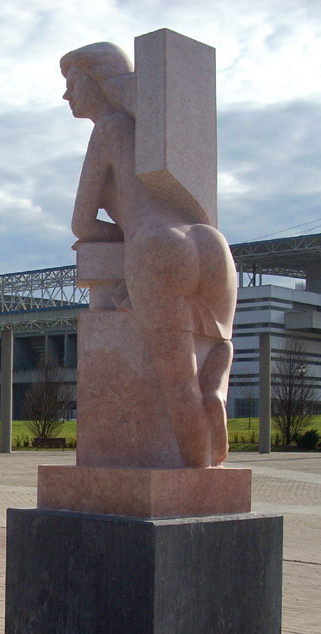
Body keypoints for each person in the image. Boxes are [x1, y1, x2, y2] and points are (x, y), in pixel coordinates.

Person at [61, 42, 236, 467]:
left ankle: (197, 475)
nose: (66, 96)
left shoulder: (109, 129)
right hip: (212, 242)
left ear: (98, 81)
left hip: (156, 248)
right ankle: (216, 389)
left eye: (71, 83)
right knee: (216, 343)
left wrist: (118, 232)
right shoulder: (158, 131)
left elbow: (81, 223)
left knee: (178, 382)